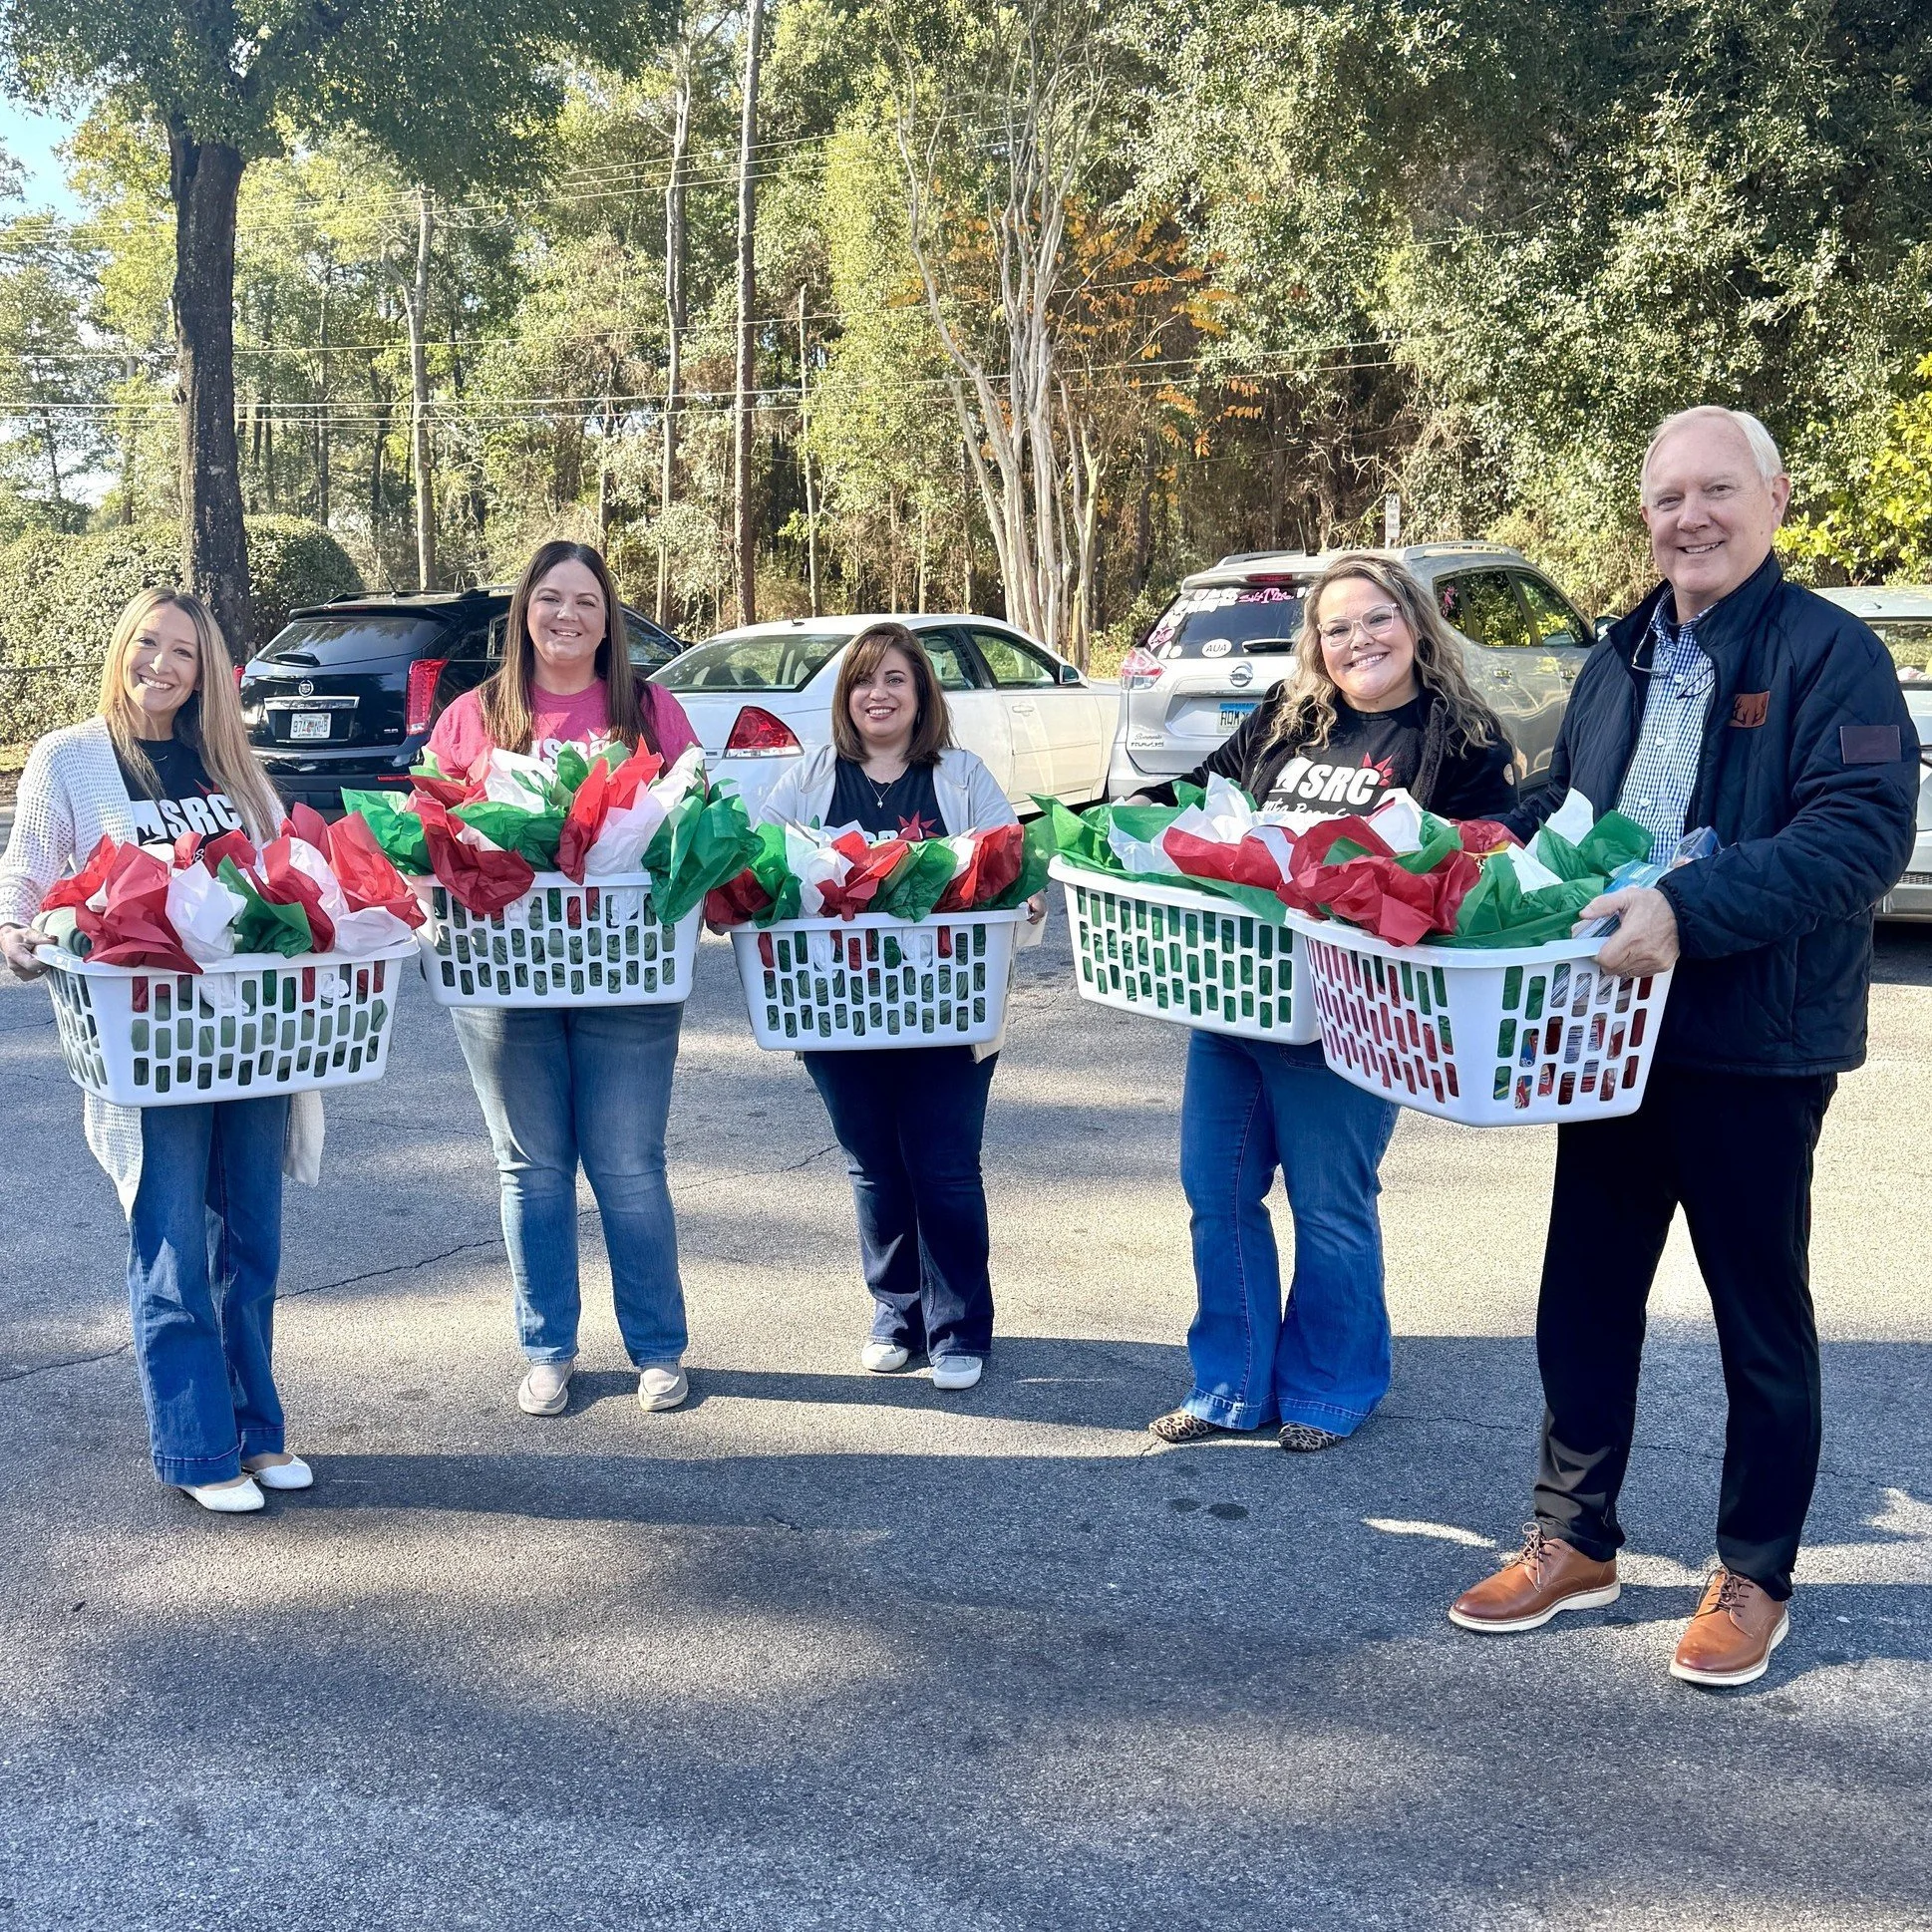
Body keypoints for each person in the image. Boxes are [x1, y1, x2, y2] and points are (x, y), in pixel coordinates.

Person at [1447, 407, 1920, 1688]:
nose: (1690, 518)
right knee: (1585, 1294)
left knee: (1757, 1316)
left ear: (1775, 500)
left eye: (1718, 491)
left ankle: (1755, 1572)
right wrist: (1474, 845)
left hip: (1751, 1043)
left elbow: (1859, 835)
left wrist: (1686, 911)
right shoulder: (1624, 653)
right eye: (1668, 498)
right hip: (1604, 1035)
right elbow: (1567, 805)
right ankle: (1573, 1539)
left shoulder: (1830, 655)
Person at [1127, 553, 1517, 1451]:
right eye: (1336, 628)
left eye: (1377, 618)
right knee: (1216, 1194)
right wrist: (1109, 821)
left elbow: (1490, 855)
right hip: (1239, 993)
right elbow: (1199, 796)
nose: (1358, 641)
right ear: (1315, 643)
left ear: (1414, 623)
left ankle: (1333, 1388)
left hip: (1354, 1013)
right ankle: (1230, 1384)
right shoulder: (1286, 718)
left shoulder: (1459, 737)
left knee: (1329, 1205)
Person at [0, 587, 308, 1514]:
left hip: (249, 1039)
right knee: (172, 1243)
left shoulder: (230, 765)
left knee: (249, 1242)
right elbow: (27, 870)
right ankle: (196, 1445)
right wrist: (15, 932)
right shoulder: (71, 758)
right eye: (147, 643)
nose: (161, 665)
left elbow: (287, 877)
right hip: (149, 1044)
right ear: (121, 649)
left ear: (207, 672)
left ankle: (256, 1430)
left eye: (184, 652)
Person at [427, 539, 703, 1420]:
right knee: (531, 1169)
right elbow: (432, 834)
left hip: (630, 971)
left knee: (628, 1166)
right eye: (550, 598)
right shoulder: (474, 714)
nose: (567, 616)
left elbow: (699, 818)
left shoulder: (649, 710)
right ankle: (547, 1348)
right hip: (503, 975)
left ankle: (657, 1349)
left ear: (609, 619)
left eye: (587, 601)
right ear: (524, 612)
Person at [756, 622, 1044, 1394]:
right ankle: (896, 1311)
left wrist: (1026, 894)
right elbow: (761, 867)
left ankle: (959, 1327)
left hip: (947, 1011)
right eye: (862, 680)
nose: (876, 694)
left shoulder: (960, 775)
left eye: (894, 680)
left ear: (921, 695)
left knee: (944, 1168)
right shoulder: (809, 778)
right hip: (835, 1012)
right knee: (875, 1168)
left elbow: (1011, 863)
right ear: (844, 697)